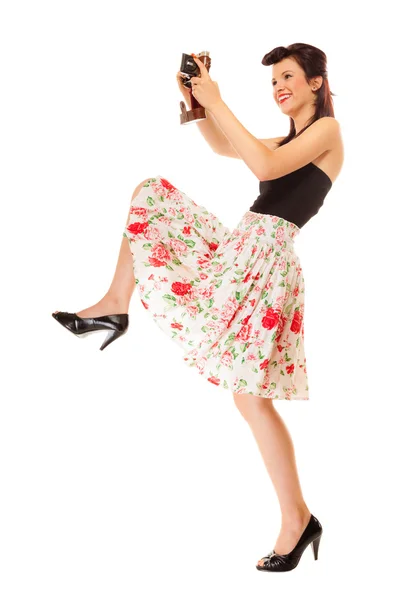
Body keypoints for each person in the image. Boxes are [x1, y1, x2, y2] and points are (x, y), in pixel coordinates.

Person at [52, 42, 344, 572]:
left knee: (250, 401)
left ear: (316, 84)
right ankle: (116, 304)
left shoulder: (327, 132)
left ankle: (297, 520)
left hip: (265, 261)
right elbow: (226, 149)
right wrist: (198, 103)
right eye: (274, 80)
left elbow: (266, 163)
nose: (279, 87)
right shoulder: (290, 138)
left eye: (288, 77)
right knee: (151, 194)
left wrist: (218, 96)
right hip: (245, 250)